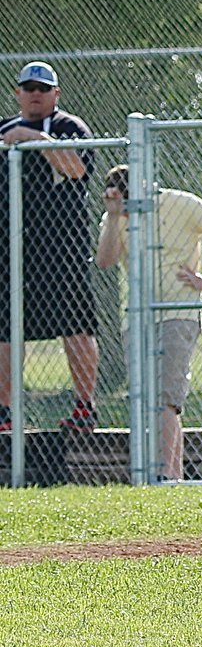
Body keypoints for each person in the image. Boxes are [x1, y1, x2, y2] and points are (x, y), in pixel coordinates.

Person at [96, 164, 202, 480]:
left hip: (178, 313)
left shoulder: (180, 202)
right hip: (137, 317)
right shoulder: (117, 217)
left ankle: (162, 476)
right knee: (150, 399)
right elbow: (105, 260)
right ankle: (171, 476)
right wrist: (112, 215)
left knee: (166, 398)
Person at [0, 61, 99, 433]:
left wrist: (33, 138)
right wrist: (15, 135)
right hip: (10, 246)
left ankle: (85, 407)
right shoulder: (3, 129)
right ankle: (4, 412)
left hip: (63, 247)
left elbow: (75, 167)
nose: (35, 94)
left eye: (42, 88)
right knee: (5, 328)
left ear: (55, 93)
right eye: (28, 88)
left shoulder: (69, 128)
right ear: (18, 93)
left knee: (76, 324)